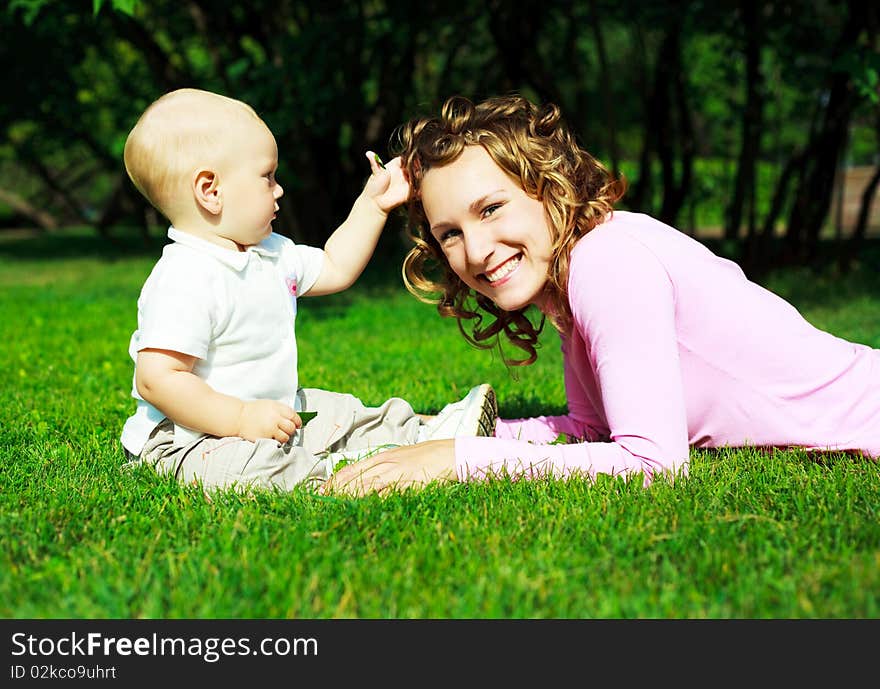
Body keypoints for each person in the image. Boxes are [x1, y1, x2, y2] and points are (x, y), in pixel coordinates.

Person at [324, 93, 880, 496]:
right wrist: (442, 428)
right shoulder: (571, 280)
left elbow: (652, 463)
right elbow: (594, 432)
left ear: (548, 189)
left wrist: (458, 459)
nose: (475, 249)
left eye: (490, 209)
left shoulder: (607, 262)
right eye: (450, 234)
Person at [119, 88, 497, 493]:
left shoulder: (271, 253)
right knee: (241, 469)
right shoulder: (185, 276)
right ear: (211, 191)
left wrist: (374, 206)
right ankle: (329, 477)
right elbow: (159, 380)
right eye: (267, 177)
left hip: (267, 413)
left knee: (340, 411)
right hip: (188, 437)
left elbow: (335, 266)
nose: (279, 189)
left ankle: (424, 433)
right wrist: (240, 418)